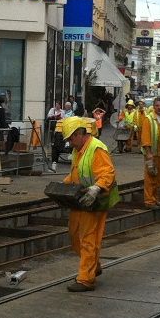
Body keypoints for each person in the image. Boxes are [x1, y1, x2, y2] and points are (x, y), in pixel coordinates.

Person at [60, 116, 120, 291]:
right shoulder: (78, 150)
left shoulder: (96, 149)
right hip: (81, 200)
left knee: (88, 239)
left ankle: (86, 279)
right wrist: (63, 185)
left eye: (71, 138)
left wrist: (96, 188)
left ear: (80, 133)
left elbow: (107, 174)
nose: (70, 143)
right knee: (74, 235)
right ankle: (94, 265)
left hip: (96, 200)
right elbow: (76, 173)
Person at [141, 97, 160, 209]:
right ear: (154, 106)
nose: (159, 108)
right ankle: (149, 201)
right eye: (157, 105)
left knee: (159, 178)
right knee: (150, 178)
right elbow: (146, 138)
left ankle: (155, 199)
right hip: (152, 154)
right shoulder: (149, 119)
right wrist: (148, 154)